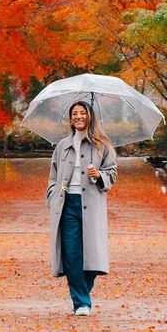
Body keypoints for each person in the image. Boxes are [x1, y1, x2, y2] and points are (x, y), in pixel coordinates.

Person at [45, 100, 117, 316]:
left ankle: (82, 294)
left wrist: (99, 175)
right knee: (72, 254)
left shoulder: (102, 145)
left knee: (93, 256)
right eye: (74, 113)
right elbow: (52, 177)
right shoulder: (62, 146)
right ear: (70, 118)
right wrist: (52, 197)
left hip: (92, 205)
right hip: (67, 205)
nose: (78, 117)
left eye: (82, 113)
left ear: (89, 116)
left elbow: (112, 172)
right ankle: (81, 303)